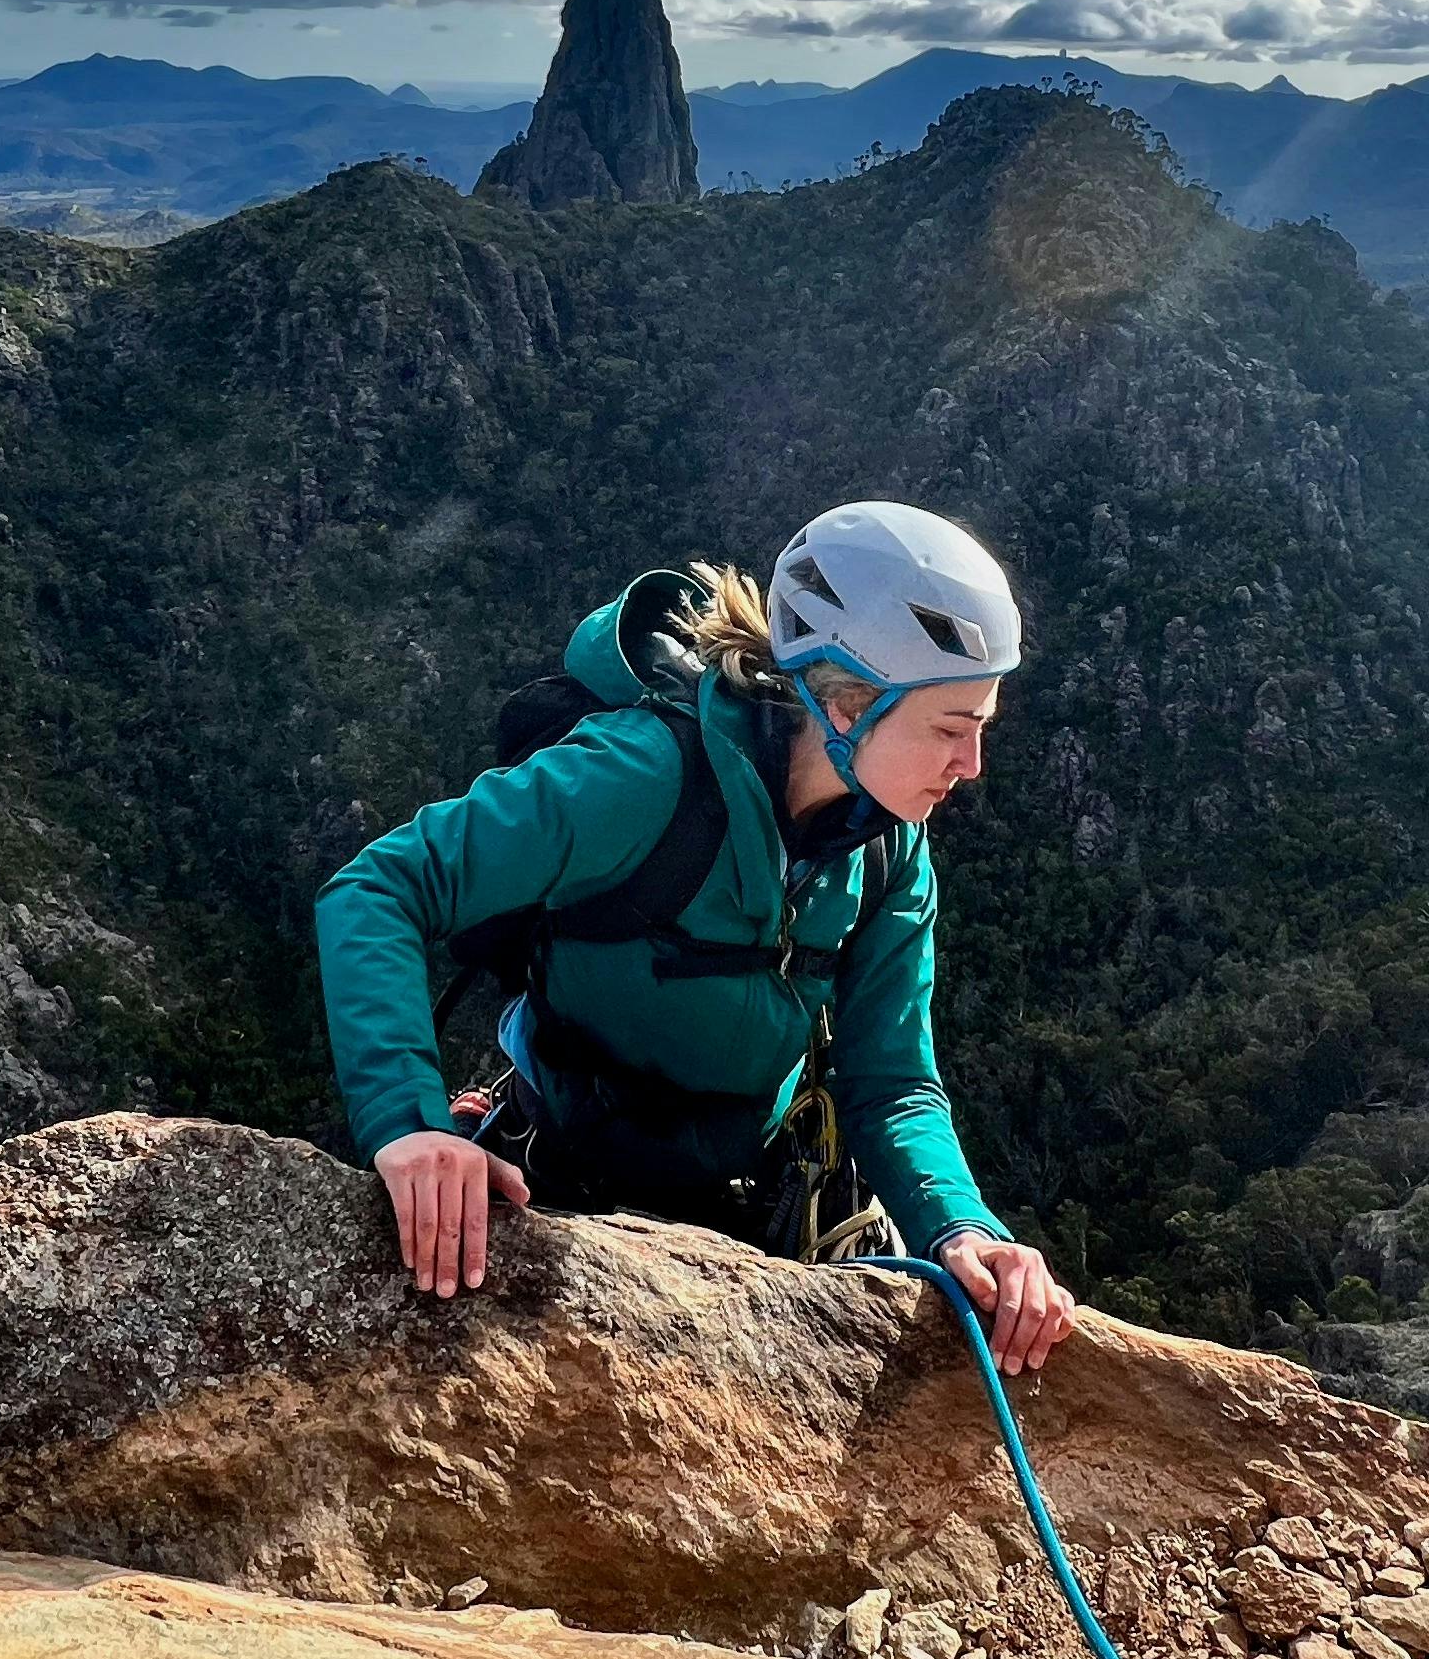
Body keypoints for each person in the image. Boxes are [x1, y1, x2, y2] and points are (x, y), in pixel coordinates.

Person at [314, 501, 1079, 1373]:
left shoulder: (888, 846)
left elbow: (891, 1082)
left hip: (753, 1199)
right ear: (848, 701)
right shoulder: (638, 778)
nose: (971, 766)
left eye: (980, 727)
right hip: (561, 1174)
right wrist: (408, 1127)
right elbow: (379, 886)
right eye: (951, 728)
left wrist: (960, 1227)